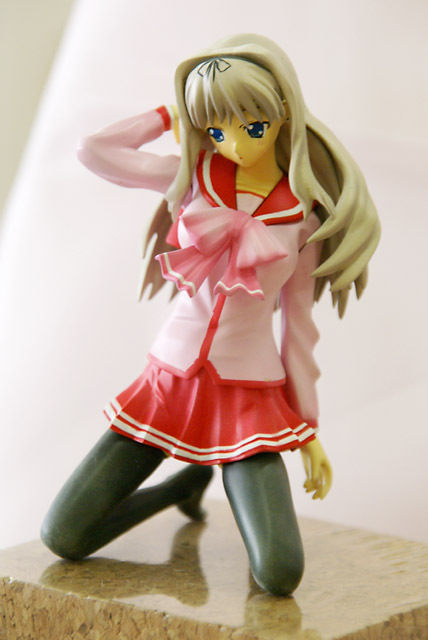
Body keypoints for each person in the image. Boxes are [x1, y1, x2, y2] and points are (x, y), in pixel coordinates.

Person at [41, 34, 380, 596]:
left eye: (252, 126)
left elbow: (298, 328)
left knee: (279, 573)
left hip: (249, 397)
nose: (234, 144)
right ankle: (178, 489)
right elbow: (92, 151)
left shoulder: (303, 218)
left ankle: (201, 482)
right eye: (217, 130)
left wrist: (307, 429)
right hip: (167, 383)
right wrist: (165, 115)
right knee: (64, 534)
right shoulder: (190, 178)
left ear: (283, 113)